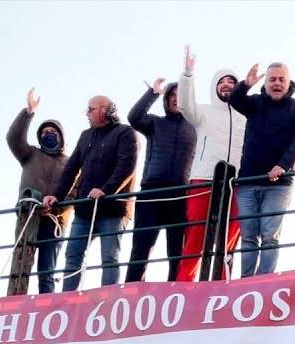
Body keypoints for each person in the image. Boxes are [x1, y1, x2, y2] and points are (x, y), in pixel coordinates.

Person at [43, 96, 139, 291]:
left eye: (91, 109)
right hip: (85, 208)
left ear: (105, 110)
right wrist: (57, 195)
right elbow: (71, 169)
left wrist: (106, 190)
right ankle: (68, 299)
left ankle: (109, 297)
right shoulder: (85, 136)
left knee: (109, 256)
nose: (87, 114)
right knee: (72, 255)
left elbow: (126, 166)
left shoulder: (125, 133)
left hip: (113, 208)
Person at [228, 62, 295, 277]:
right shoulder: (254, 103)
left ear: (288, 82)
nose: (277, 83)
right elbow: (234, 100)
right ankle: (246, 280)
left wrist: (283, 166)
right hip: (248, 181)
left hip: (279, 184)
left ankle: (265, 279)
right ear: (265, 83)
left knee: (269, 235)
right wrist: (245, 84)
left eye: (281, 79)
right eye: (272, 79)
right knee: (248, 236)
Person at [177, 46, 246, 282]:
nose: (226, 85)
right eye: (222, 81)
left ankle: (221, 283)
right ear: (215, 86)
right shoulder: (203, 112)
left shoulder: (246, 115)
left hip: (237, 181)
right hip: (204, 178)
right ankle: (186, 285)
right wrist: (187, 74)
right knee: (196, 233)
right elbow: (185, 105)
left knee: (231, 236)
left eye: (232, 82)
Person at [125, 76, 197, 282]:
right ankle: (132, 291)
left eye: (180, 95)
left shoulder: (196, 128)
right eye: (171, 95)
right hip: (151, 192)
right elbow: (134, 117)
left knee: (177, 252)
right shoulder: (155, 123)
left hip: (180, 195)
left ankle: (176, 293)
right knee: (141, 249)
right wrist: (153, 93)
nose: (175, 99)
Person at [7, 87, 72, 293]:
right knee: (20, 267)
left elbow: (74, 194)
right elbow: (13, 138)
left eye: (53, 132)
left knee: (47, 272)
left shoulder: (71, 163)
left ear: (61, 136)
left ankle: (48, 308)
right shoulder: (29, 154)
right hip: (27, 217)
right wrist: (28, 112)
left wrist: (55, 208)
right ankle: (16, 305)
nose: (49, 134)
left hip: (54, 222)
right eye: (45, 132)